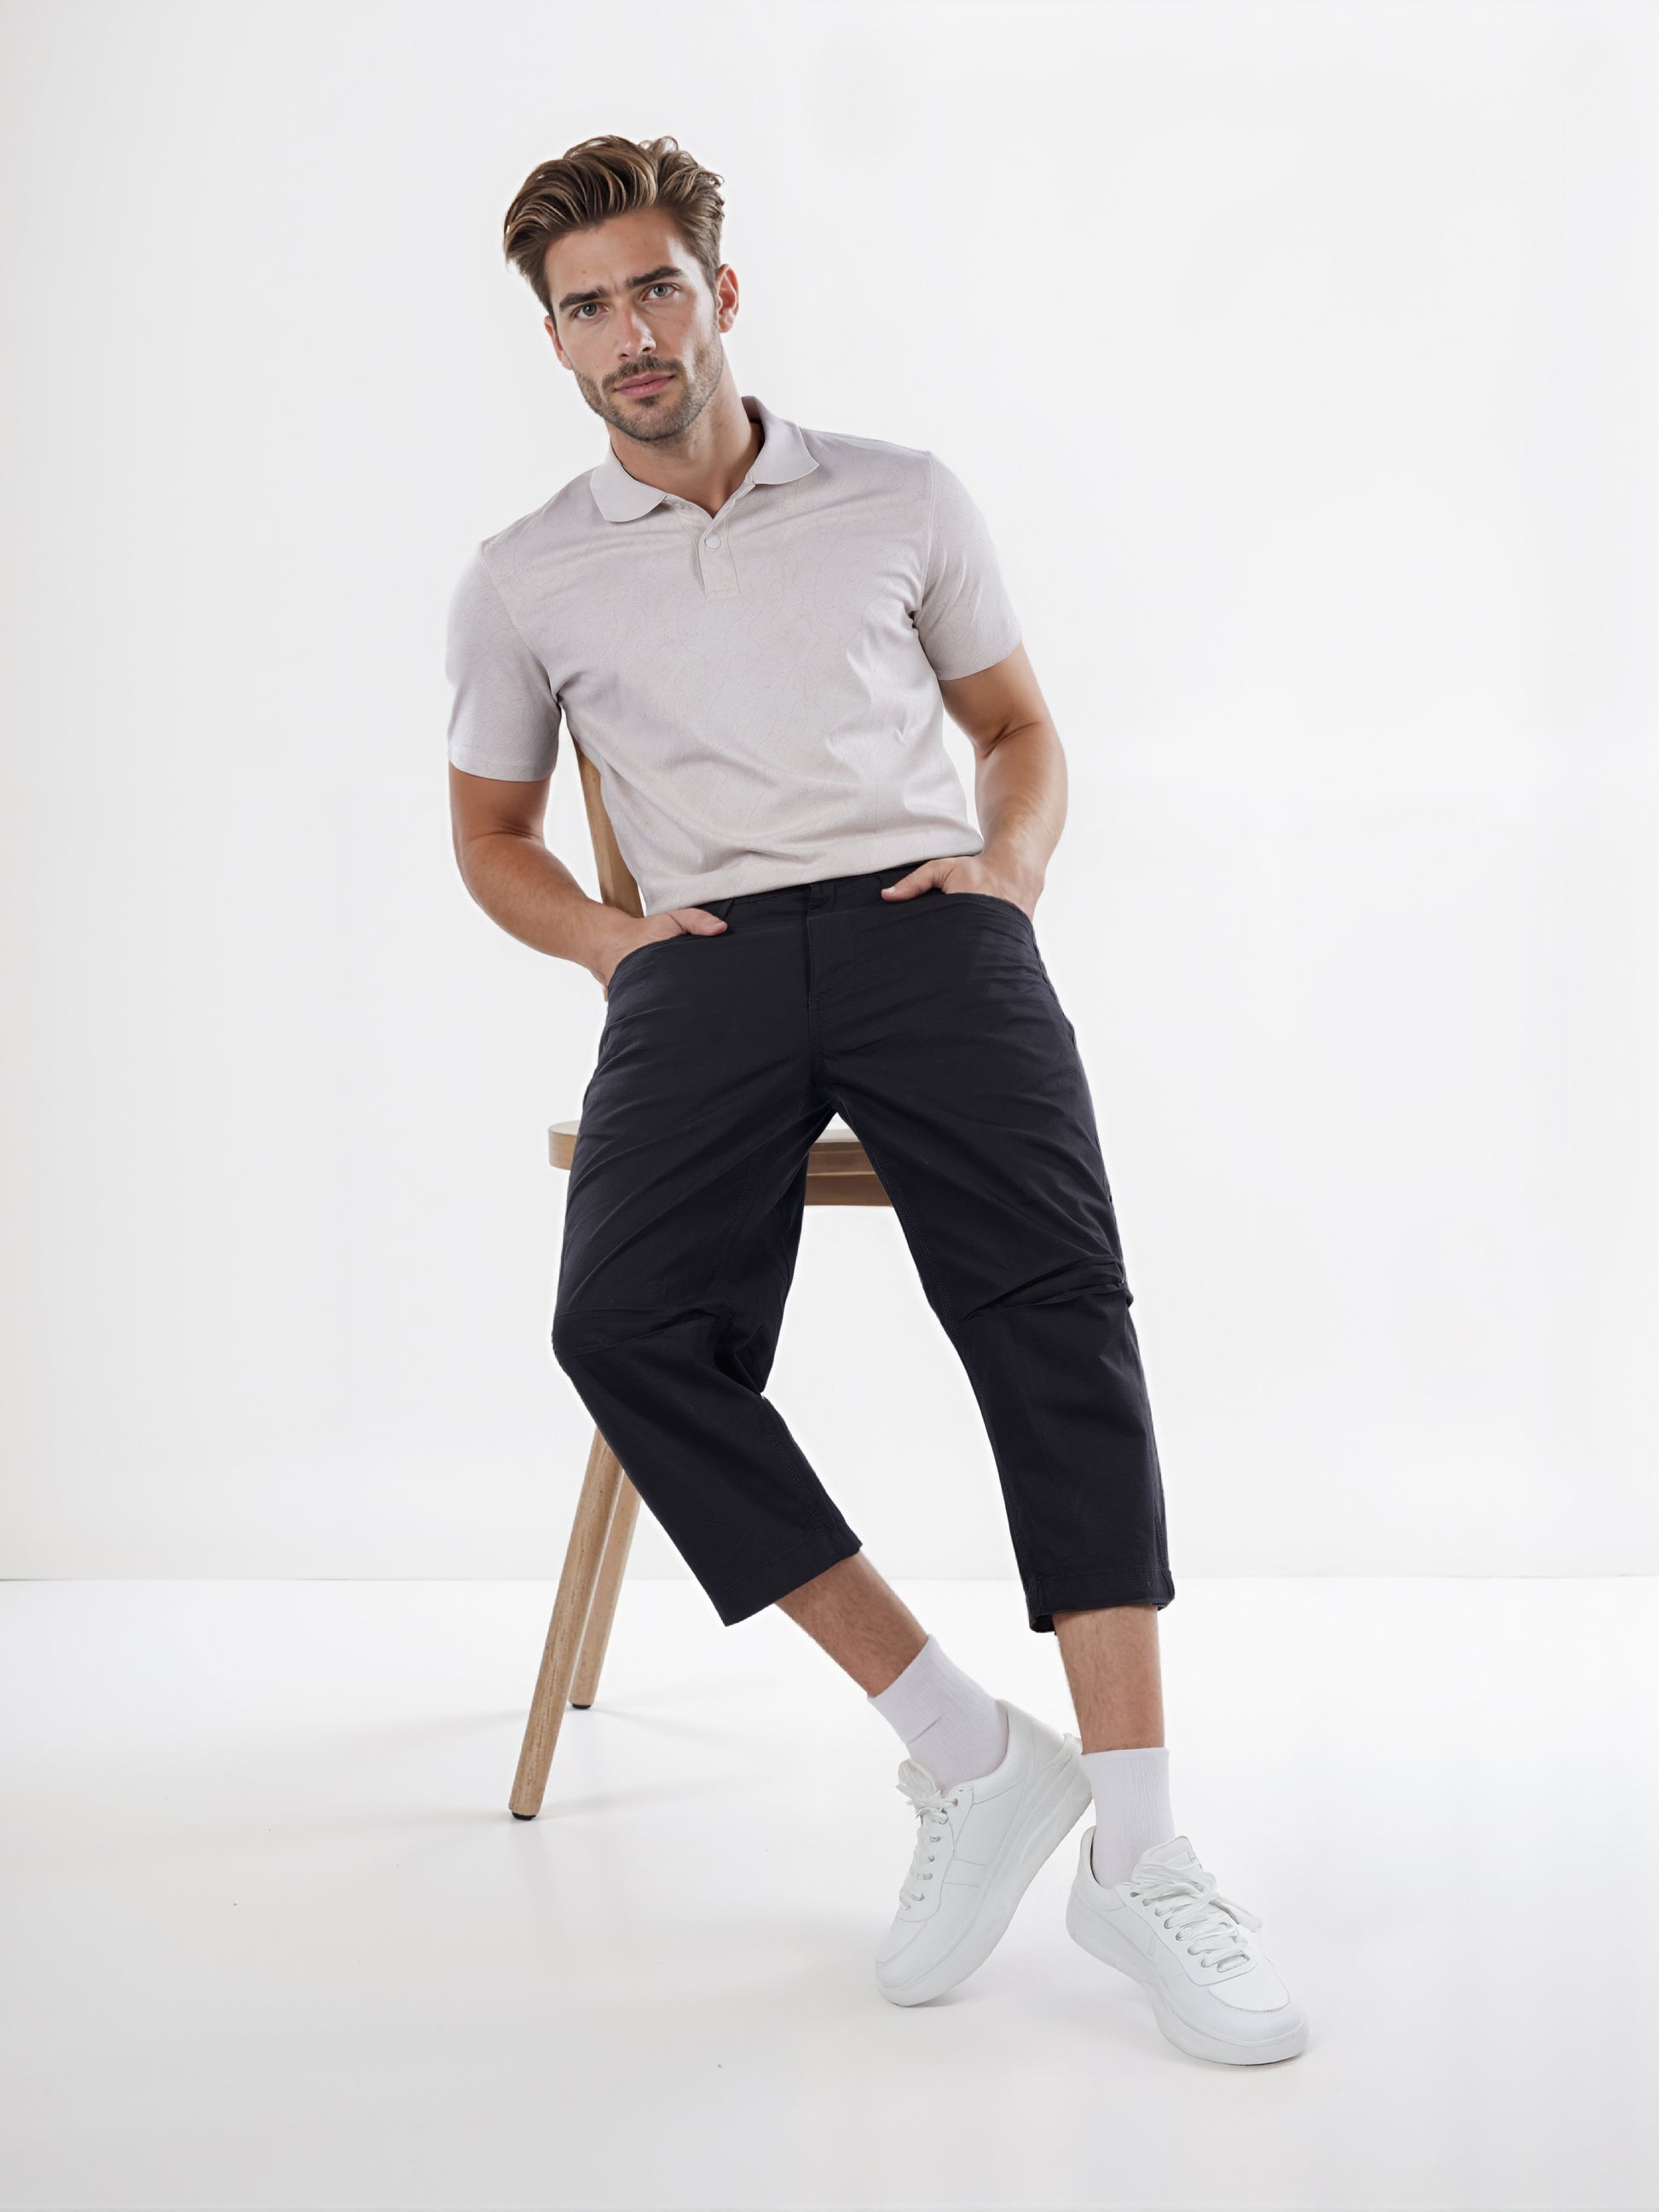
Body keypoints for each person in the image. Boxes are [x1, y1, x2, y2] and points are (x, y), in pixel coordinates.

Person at [443, 133, 1307, 2067]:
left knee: (1052, 1306)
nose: (629, 332)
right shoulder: (523, 574)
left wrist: (1008, 874)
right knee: (618, 1325)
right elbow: (491, 833)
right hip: (700, 962)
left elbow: (1016, 726)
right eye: (586, 308)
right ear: (555, 342)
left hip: (931, 930)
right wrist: (611, 947)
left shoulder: (901, 494)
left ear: (719, 295)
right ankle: (964, 1748)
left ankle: (1144, 1852)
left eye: (656, 288)